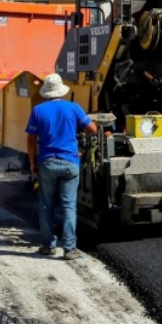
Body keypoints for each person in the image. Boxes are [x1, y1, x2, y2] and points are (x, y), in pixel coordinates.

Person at [26, 73, 98, 261]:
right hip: (69, 163)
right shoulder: (73, 108)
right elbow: (92, 129)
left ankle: (48, 246)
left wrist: (32, 162)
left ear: (46, 93)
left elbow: (31, 139)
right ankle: (69, 249)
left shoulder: (37, 111)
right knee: (68, 206)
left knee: (46, 206)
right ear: (61, 91)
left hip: (47, 163)